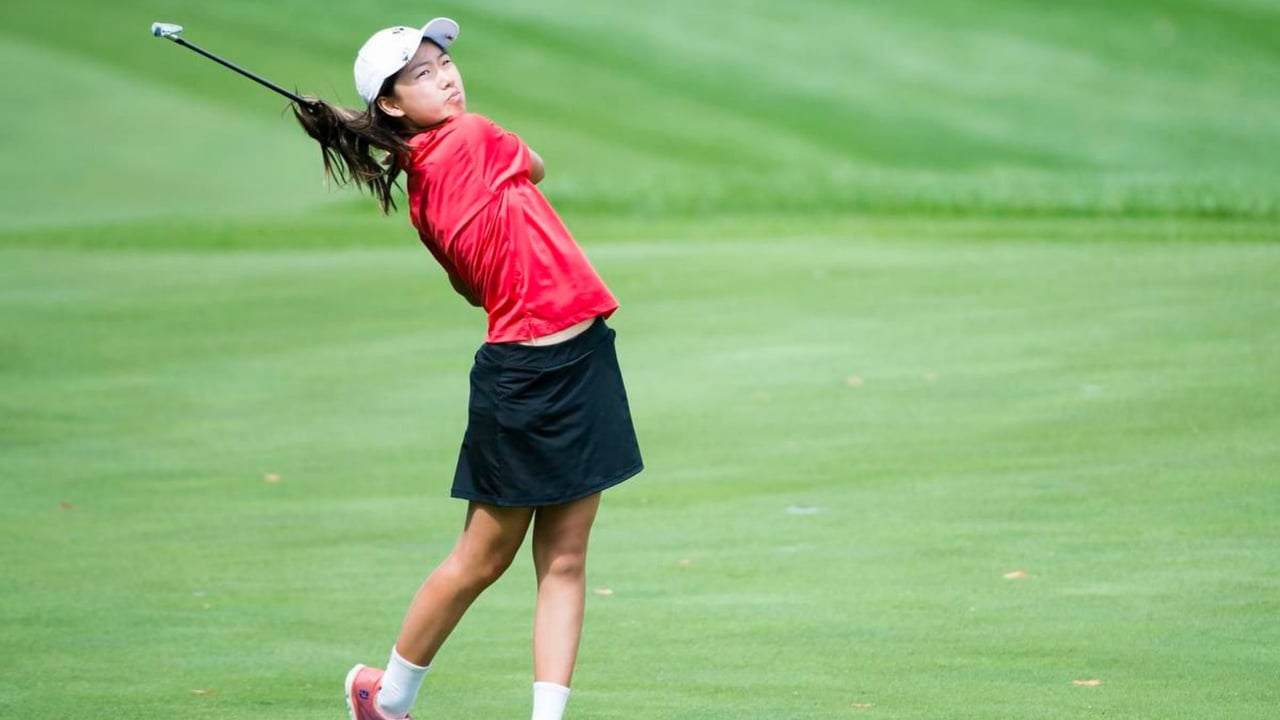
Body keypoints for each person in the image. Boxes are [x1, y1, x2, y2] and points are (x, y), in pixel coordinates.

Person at [291, 17, 644, 720]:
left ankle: (478, 709)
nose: (446, 76)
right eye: (421, 74)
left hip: (577, 358)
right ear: (389, 103)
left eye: (443, 62)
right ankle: (386, 698)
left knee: (552, 560)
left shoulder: (421, 189)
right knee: (489, 559)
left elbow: (473, 281)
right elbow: (538, 165)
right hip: (528, 377)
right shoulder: (475, 136)